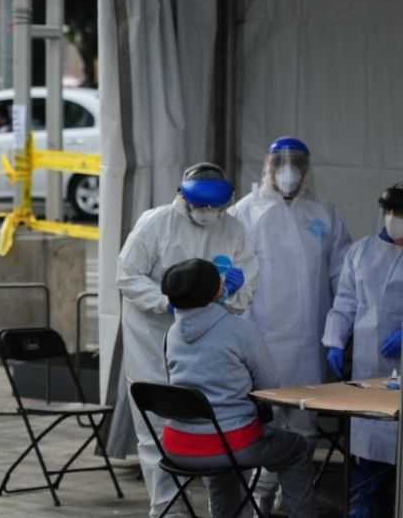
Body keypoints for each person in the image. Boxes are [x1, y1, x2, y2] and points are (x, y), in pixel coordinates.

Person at [117, 162, 258, 517]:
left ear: (228, 201)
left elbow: (247, 288)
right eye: (201, 205)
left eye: (216, 206)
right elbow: (127, 275)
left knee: (212, 425)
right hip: (153, 340)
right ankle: (169, 511)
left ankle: (224, 509)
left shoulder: (234, 229)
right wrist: (166, 302)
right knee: (157, 429)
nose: (209, 213)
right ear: (182, 196)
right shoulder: (156, 223)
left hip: (207, 344)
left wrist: (234, 293)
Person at [230, 137, 351, 514]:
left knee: (303, 423)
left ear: (307, 168)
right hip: (260, 337)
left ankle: (295, 495)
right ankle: (260, 495)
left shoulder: (323, 213)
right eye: (280, 161)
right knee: (263, 423)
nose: (288, 170)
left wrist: (342, 332)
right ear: (266, 165)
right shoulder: (245, 213)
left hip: (308, 339)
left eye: (297, 162)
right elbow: (235, 278)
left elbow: (343, 276)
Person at [160, 258, 317, 518]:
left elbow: (173, 386)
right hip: (230, 443)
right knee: (297, 448)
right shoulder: (239, 329)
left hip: (177, 445)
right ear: (217, 291)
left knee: (223, 462)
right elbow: (269, 385)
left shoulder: (172, 334)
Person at [321, 182, 403, 517]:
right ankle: (366, 506)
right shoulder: (360, 252)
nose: (395, 220)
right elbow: (344, 304)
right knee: (370, 444)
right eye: (392, 212)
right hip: (368, 367)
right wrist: (334, 341)